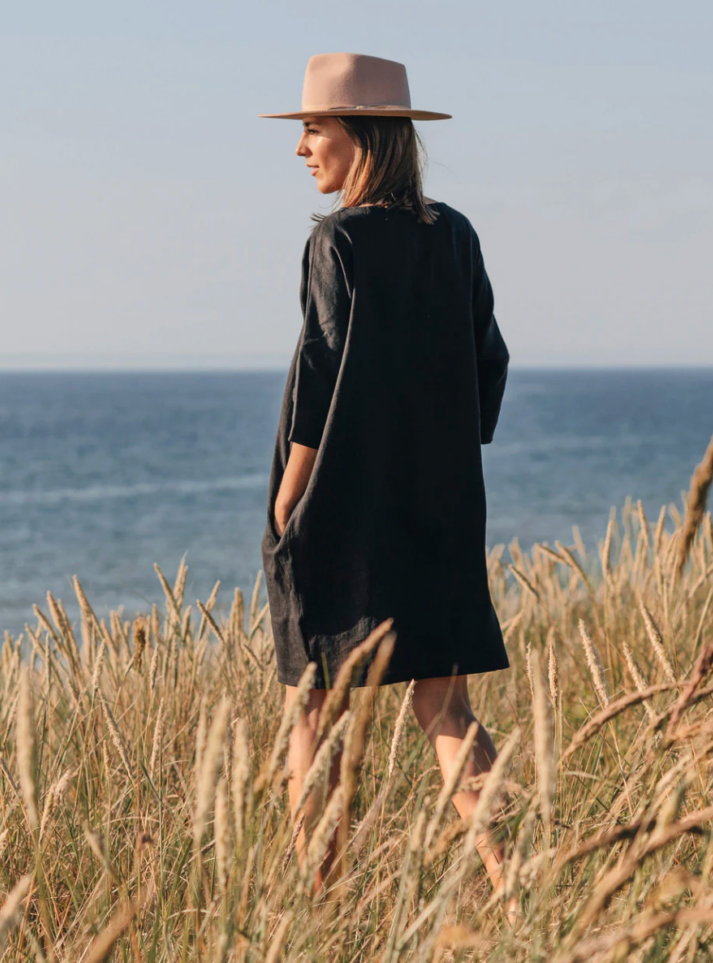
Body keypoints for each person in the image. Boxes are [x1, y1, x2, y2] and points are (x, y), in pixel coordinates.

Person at [258, 53, 515, 917]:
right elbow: (491, 362)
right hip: (440, 510)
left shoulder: (335, 239)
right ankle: (521, 899)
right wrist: (437, 452)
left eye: (313, 128)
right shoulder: (457, 233)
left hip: (340, 512)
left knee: (313, 712)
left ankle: (317, 911)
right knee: (449, 708)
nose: (300, 147)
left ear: (362, 135)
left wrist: (290, 502)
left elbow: (320, 380)